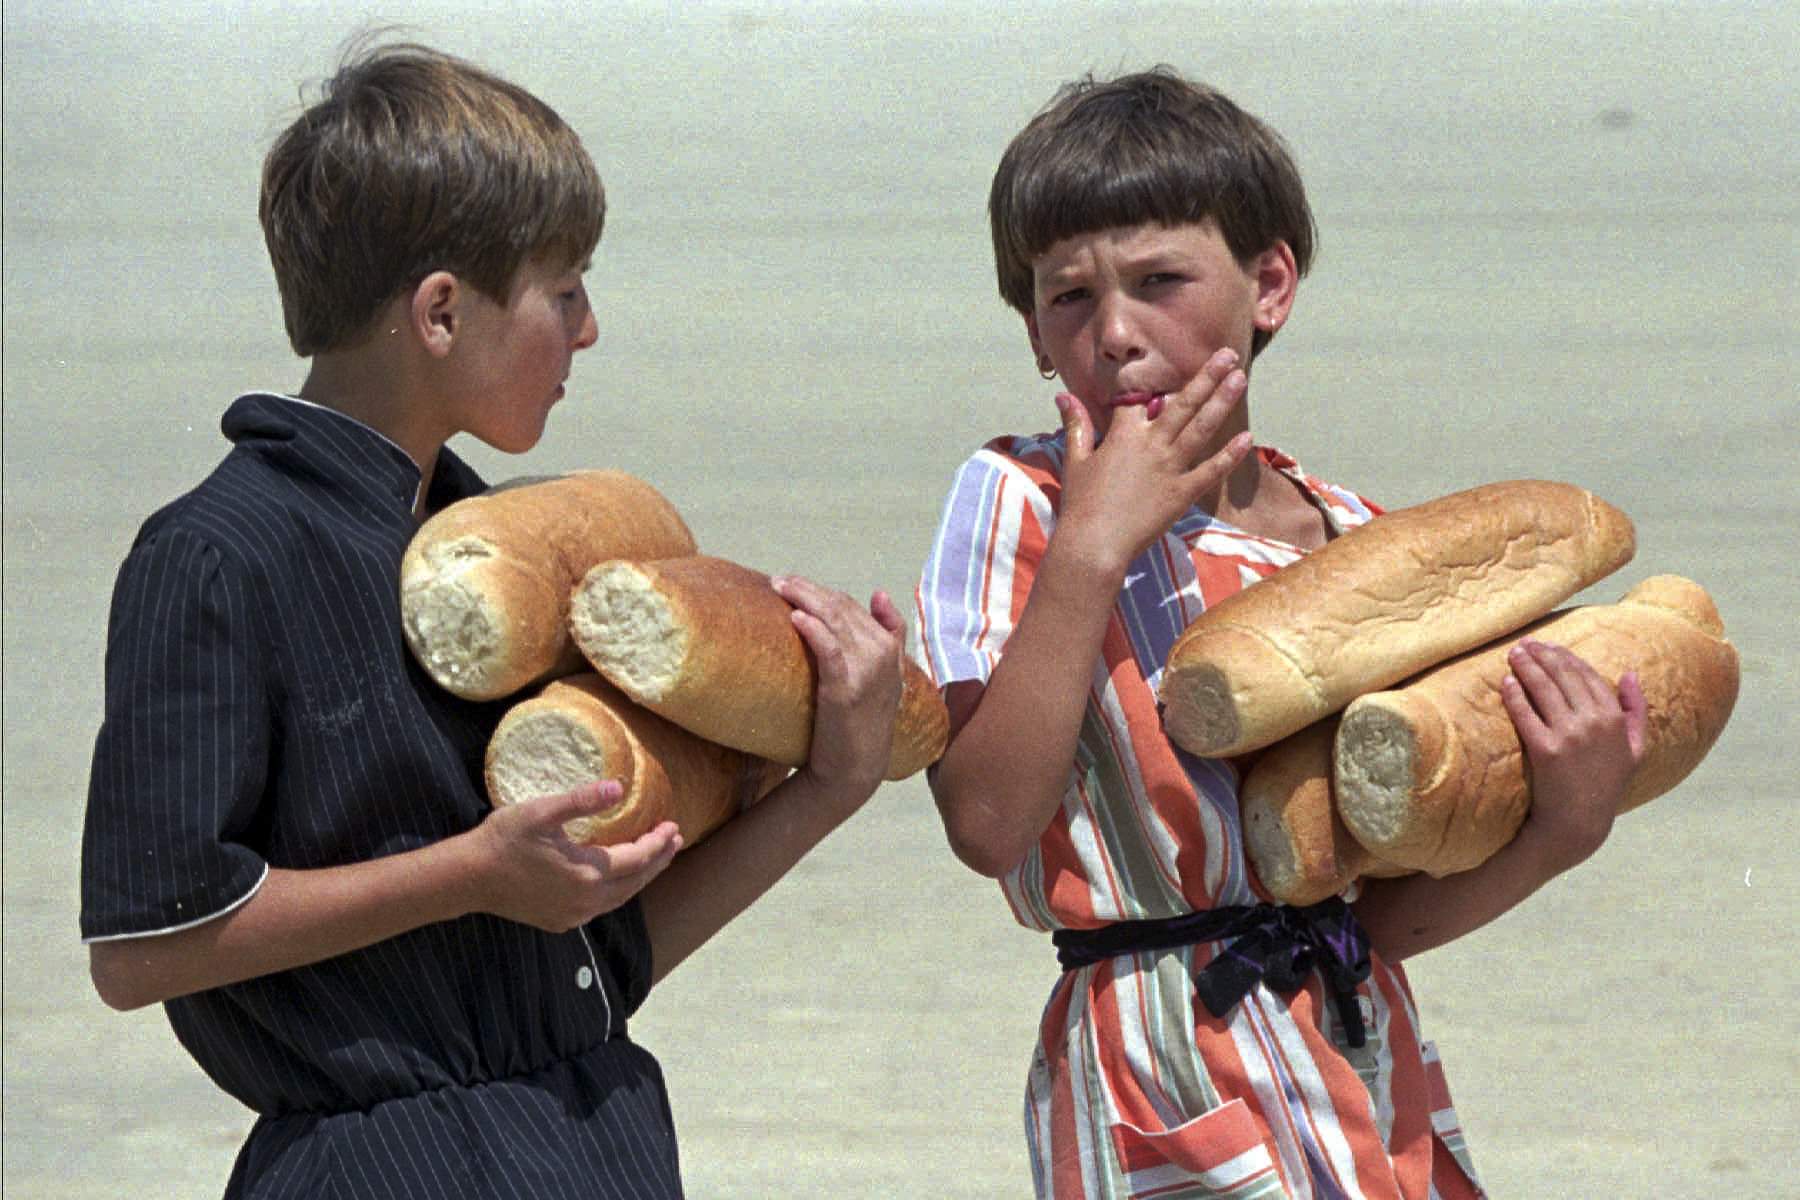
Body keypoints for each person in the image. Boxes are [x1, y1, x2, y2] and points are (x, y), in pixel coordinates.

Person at [79, 42, 905, 1199]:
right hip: (378, 1170)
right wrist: (466, 874)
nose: (590, 326)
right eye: (564, 287)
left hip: (595, 1138)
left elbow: (596, 972)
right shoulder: (219, 556)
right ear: (439, 314)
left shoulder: (511, 549)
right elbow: (141, 947)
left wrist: (831, 781)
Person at [914, 68, 1648, 1198]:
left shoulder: (1354, 544)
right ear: (1032, 330)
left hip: (1360, 1057)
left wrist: (1562, 828)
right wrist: (1093, 553)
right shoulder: (1022, 498)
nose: (1114, 334)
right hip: (1158, 1066)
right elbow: (986, 818)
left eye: (1160, 281)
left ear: (1269, 284)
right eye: (1068, 298)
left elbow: (1378, 911)